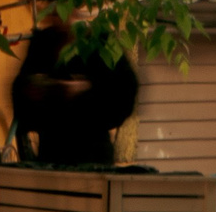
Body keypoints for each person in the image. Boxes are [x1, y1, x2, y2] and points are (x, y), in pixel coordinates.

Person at [9, 11, 138, 165]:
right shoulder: (44, 42)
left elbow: (125, 93)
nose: (63, 17)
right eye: (57, 12)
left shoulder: (100, 41)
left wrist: (83, 92)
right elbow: (21, 99)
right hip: (52, 157)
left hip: (94, 158)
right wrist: (38, 92)